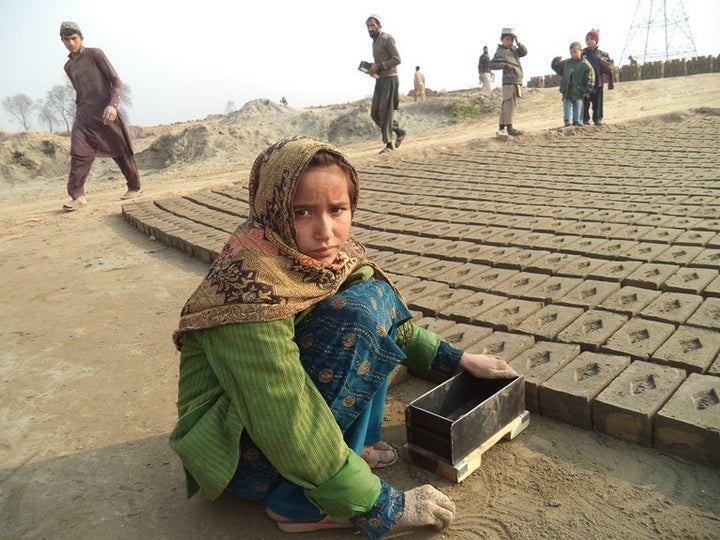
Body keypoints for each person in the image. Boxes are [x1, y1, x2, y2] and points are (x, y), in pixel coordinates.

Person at [168, 136, 518, 538]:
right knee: (354, 320)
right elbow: (283, 412)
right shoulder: (248, 288)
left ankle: (353, 449)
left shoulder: (324, 259)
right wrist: (379, 506)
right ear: (273, 208)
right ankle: (298, 504)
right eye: (302, 212)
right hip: (241, 454)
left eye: (338, 209)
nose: (325, 231)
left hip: (277, 428)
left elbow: (389, 320)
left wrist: (454, 359)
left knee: (371, 298)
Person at [58, 21, 142, 211]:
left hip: (105, 112)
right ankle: (77, 195)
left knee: (120, 149)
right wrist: (80, 110)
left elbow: (116, 82)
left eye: (74, 38)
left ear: (81, 38)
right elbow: (79, 90)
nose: (71, 43)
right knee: (78, 154)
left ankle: (135, 186)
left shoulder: (95, 54)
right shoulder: (68, 66)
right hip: (83, 116)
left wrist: (112, 106)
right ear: (62, 41)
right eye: (66, 40)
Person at [364, 14, 406, 153]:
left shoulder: (387, 39)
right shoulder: (375, 42)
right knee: (375, 113)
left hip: (390, 79)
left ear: (379, 25)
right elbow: (378, 65)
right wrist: (372, 69)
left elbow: (397, 59)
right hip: (380, 80)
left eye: (373, 25)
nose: (370, 29)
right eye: (368, 26)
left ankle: (388, 146)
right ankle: (398, 131)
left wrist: (380, 65)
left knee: (385, 112)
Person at [489, 28, 527, 140]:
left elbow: (524, 52)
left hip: (515, 81)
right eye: (507, 39)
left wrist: (518, 43)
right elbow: (492, 64)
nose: (509, 42)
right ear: (502, 40)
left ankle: (502, 127)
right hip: (509, 82)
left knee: (508, 105)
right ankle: (509, 127)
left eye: (511, 39)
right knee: (508, 105)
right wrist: (504, 66)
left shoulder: (514, 49)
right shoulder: (500, 51)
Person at [551, 42, 595, 127]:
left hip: (579, 89)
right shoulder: (566, 63)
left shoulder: (585, 64)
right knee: (566, 104)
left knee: (578, 104)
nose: (573, 54)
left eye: (575, 52)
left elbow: (590, 76)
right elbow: (558, 69)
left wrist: (588, 88)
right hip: (567, 89)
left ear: (581, 51)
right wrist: (555, 63)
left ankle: (577, 120)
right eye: (571, 52)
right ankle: (567, 120)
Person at [582, 29, 612, 125]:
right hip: (586, 83)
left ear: (596, 40)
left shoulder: (602, 54)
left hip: (598, 82)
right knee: (585, 102)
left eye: (591, 39)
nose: (589, 41)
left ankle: (598, 119)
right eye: (587, 39)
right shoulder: (583, 53)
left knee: (598, 103)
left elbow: (609, 67)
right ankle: (585, 119)